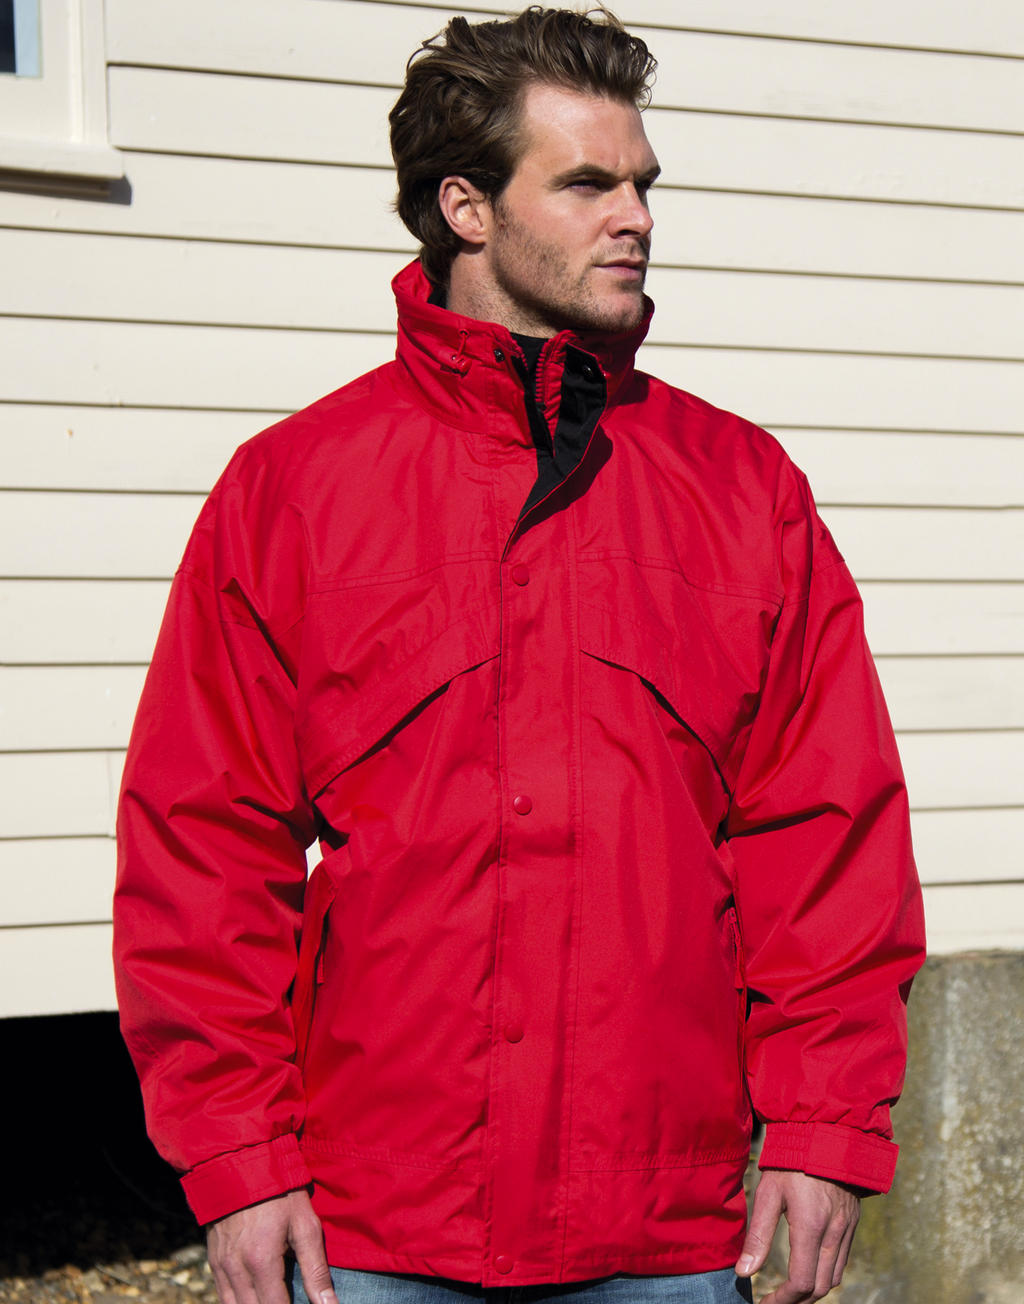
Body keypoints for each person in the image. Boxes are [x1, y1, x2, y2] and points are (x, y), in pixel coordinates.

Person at [113, 8, 926, 1304]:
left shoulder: (743, 489)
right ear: (467, 208)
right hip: (378, 1237)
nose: (637, 218)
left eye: (644, 183)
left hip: (662, 1233)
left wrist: (825, 1124)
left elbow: (825, 833)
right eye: (588, 183)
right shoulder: (297, 491)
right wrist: (240, 1159)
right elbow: (202, 843)